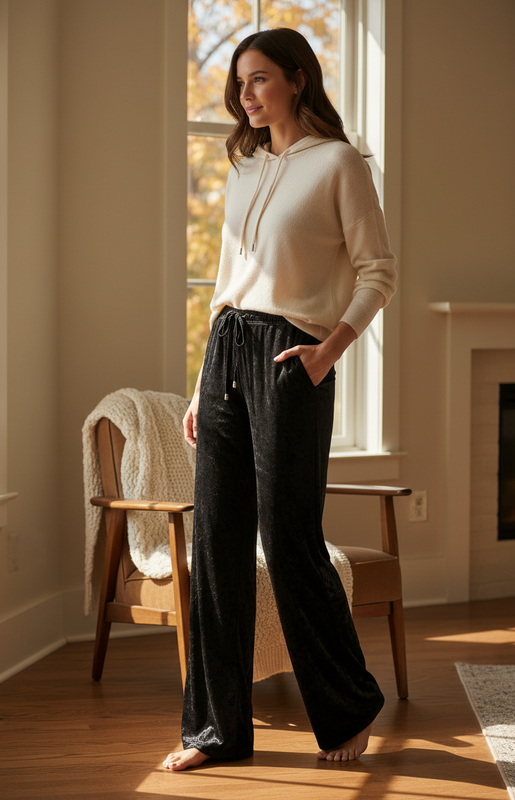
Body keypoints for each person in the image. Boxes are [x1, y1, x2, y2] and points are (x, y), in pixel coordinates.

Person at [163, 27, 397, 772]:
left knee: (288, 539)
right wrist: (204, 385)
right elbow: (226, 288)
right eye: (239, 83)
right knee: (217, 544)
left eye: (259, 79)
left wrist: (328, 353)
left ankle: (347, 705)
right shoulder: (243, 168)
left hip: (291, 355)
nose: (245, 94)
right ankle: (215, 730)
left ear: (297, 79)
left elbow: (377, 272)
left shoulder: (338, 164)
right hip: (227, 351)